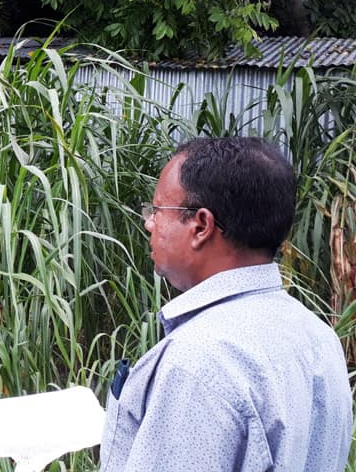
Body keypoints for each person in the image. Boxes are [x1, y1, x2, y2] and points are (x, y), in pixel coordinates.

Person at [100, 136, 353, 471]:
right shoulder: (318, 337)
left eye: (159, 210)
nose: (149, 222)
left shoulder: (197, 363)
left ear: (201, 225)